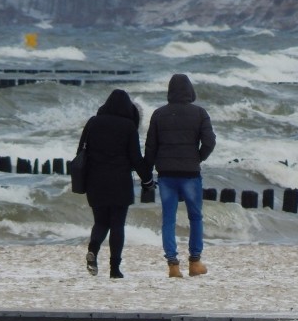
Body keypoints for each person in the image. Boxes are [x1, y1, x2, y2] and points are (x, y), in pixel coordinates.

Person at [144, 73, 216, 278]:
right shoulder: (200, 113)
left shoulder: (159, 114)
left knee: (168, 219)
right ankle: (195, 262)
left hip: (166, 174)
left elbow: (151, 147)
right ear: (190, 91)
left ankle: (173, 265)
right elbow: (209, 141)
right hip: (191, 173)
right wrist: (198, 158)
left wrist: (147, 172)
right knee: (195, 217)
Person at [78, 89, 153, 278]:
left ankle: (93, 250)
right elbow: (136, 158)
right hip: (120, 182)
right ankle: (114, 269)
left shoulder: (93, 123)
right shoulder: (128, 126)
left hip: (95, 181)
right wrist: (147, 179)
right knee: (117, 225)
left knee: (101, 222)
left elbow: (80, 151)